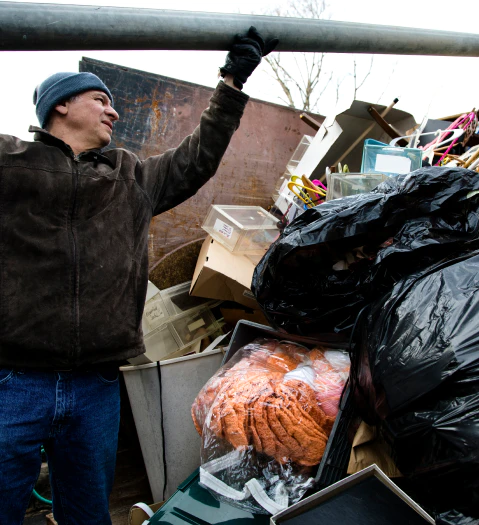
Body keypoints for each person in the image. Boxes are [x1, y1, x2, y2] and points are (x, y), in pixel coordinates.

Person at [0, 27, 278, 524]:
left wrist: (232, 83)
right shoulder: (12, 164)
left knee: (88, 513)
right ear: (60, 106)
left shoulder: (129, 178)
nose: (113, 110)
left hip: (98, 385)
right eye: (100, 99)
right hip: (14, 380)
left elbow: (197, 159)